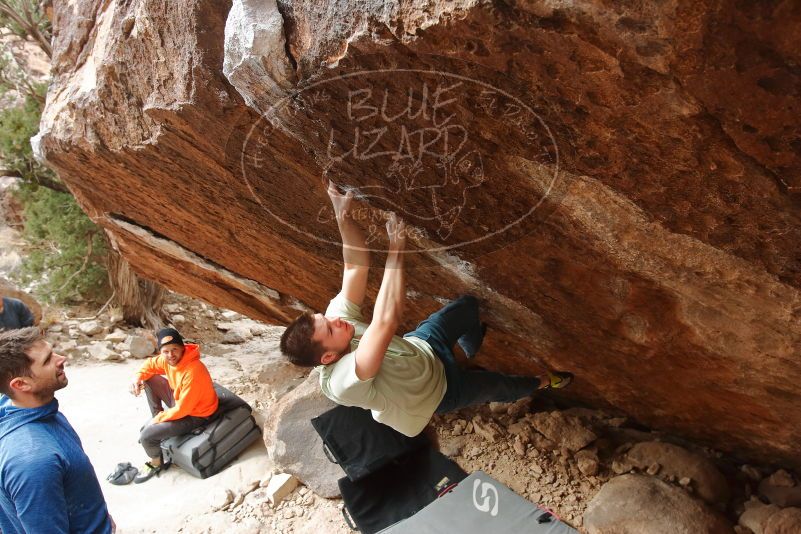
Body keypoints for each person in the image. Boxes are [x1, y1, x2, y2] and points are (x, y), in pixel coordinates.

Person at [280, 182, 573, 437]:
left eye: (326, 317)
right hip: (438, 394)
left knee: (468, 307)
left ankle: (470, 348)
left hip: (423, 348)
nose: (335, 320)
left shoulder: (335, 321)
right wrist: (397, 248)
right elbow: (385, 322)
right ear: (328, 356)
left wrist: (342, 213)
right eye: (330, 328)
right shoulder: (343, 383)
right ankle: (544, 381)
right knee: (499, 386)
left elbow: (355, 266)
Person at [0, 327, 115, 533]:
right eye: (47, 360)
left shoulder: (33, 410)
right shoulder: (33, 459)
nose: (61, 359)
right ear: (21, 384)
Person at [129, 327, 218, 483]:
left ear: (183, 348)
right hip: (181, 401)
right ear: (161, 352)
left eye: (175, 349)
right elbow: (149, 365)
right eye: (166, 351)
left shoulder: (193, 370)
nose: (171, 355)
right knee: (149, 378)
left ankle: (156, 463)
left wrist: (157, 421)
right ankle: (159, 425)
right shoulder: (167, 360)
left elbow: (184, 409)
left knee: (146, 437)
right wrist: (137, 378)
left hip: (197, 414)